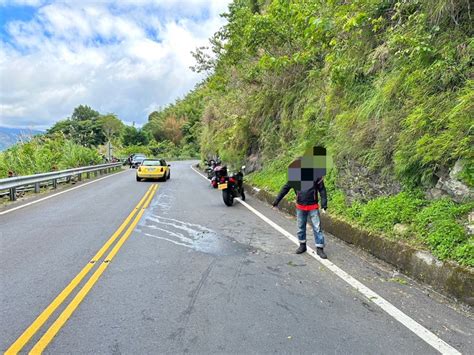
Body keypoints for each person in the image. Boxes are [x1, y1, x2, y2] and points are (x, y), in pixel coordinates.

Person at [272, 177, 328, 258]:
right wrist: (276, 201)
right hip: (300, 207)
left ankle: (320, 248)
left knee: (317, 228)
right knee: (300, 227)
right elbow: (285, 188)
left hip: (313, 207)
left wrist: (324, 204)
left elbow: (322, 190)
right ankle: (302, 245)